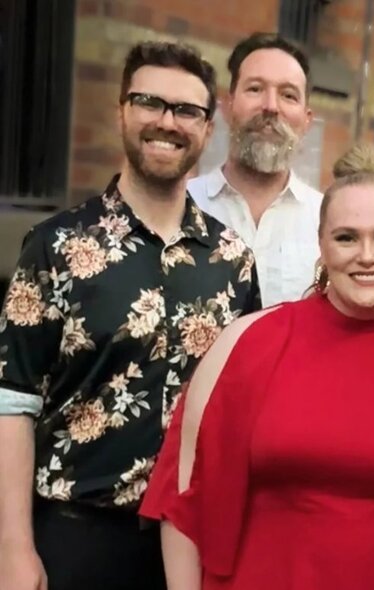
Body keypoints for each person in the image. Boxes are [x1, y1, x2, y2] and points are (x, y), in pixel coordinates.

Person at [139, 144, 374, 590]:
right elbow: (182, 494)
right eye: (347, 237)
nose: (367, 255)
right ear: (321, 245)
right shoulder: (250, 343)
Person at [0, 42, 259, 590]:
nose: (167, 122)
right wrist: (14, 549)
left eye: (187, 110)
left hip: (191, 546)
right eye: (150, 102)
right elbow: (11, 404)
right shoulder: (56, 247)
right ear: (121, 110)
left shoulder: (233, 261)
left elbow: (241, 409)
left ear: (208, 130)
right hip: (76, 538)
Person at [188, 32, 322, 306]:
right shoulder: (184, 205)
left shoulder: (328, 221)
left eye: (288, 95)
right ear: (227, 106)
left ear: (307, 120)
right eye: (255, 89)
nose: (271, 107)